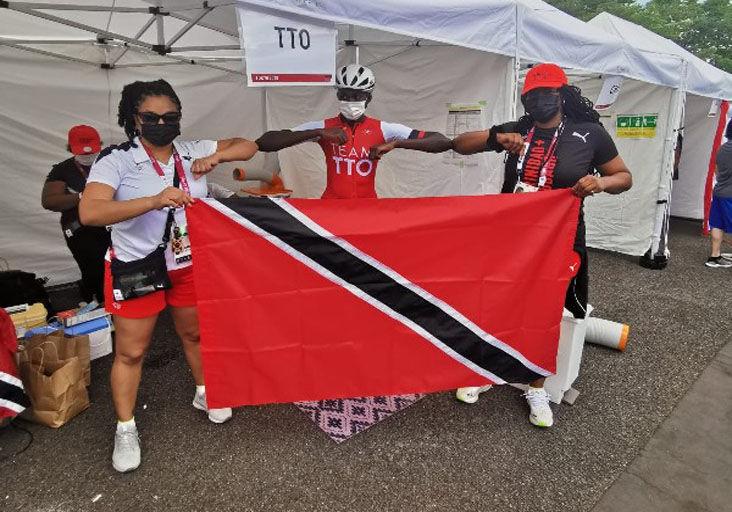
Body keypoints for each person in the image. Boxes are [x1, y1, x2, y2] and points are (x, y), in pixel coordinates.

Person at [79, 79, 258, 473]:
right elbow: (90, 213)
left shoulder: (190, 149)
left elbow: (250, 144)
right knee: (131, 351)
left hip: (187, 263)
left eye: (171, 116)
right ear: (134, 119)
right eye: (151, 117)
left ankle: (204, 391)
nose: (162, 122)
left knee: (194, 333)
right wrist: (154, 200)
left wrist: (218, 157)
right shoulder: (117, 159)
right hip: (136, 265)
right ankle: (125, 426)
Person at [444, 63, 631, 427]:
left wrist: (600, 184)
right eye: (532, 95)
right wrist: (498, 139)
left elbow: (624, 177)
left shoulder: (589, 133)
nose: (540, 100)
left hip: (560, 237)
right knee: (497, 301)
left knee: (547, 311)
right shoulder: (518, 129)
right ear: (525, 99)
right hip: (510, 236)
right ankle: (487, 371)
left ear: (561, 94)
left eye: (547, 93)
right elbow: (459, 145)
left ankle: (536, 386)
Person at [255, 64, 452, 198]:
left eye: (357, 96)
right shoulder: (325, 127)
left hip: (367, 208)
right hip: (332, 207)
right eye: (345, 95)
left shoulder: (384, 129)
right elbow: (265, 142)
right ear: (338, 95)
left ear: (368, 99)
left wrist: (396, 143)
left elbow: (441, 141)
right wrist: (317, 133)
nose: (350, 102)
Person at [42, 125, 111, 303]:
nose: (88, 156)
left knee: (115, 265)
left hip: (111, 222)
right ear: (71, 148)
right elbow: (49, 201)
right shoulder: (62, 170)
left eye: (92, 152)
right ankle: (97, 300)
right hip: (80, 228)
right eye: (83, 153)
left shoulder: (110, 162)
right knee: (93, 268)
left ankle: (115, 298)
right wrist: (82, 196)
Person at [705, 118, 732, 268]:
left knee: (717, 224)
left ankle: (714, 257)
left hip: (720, 192)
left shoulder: (721, 149)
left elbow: (717, 171)